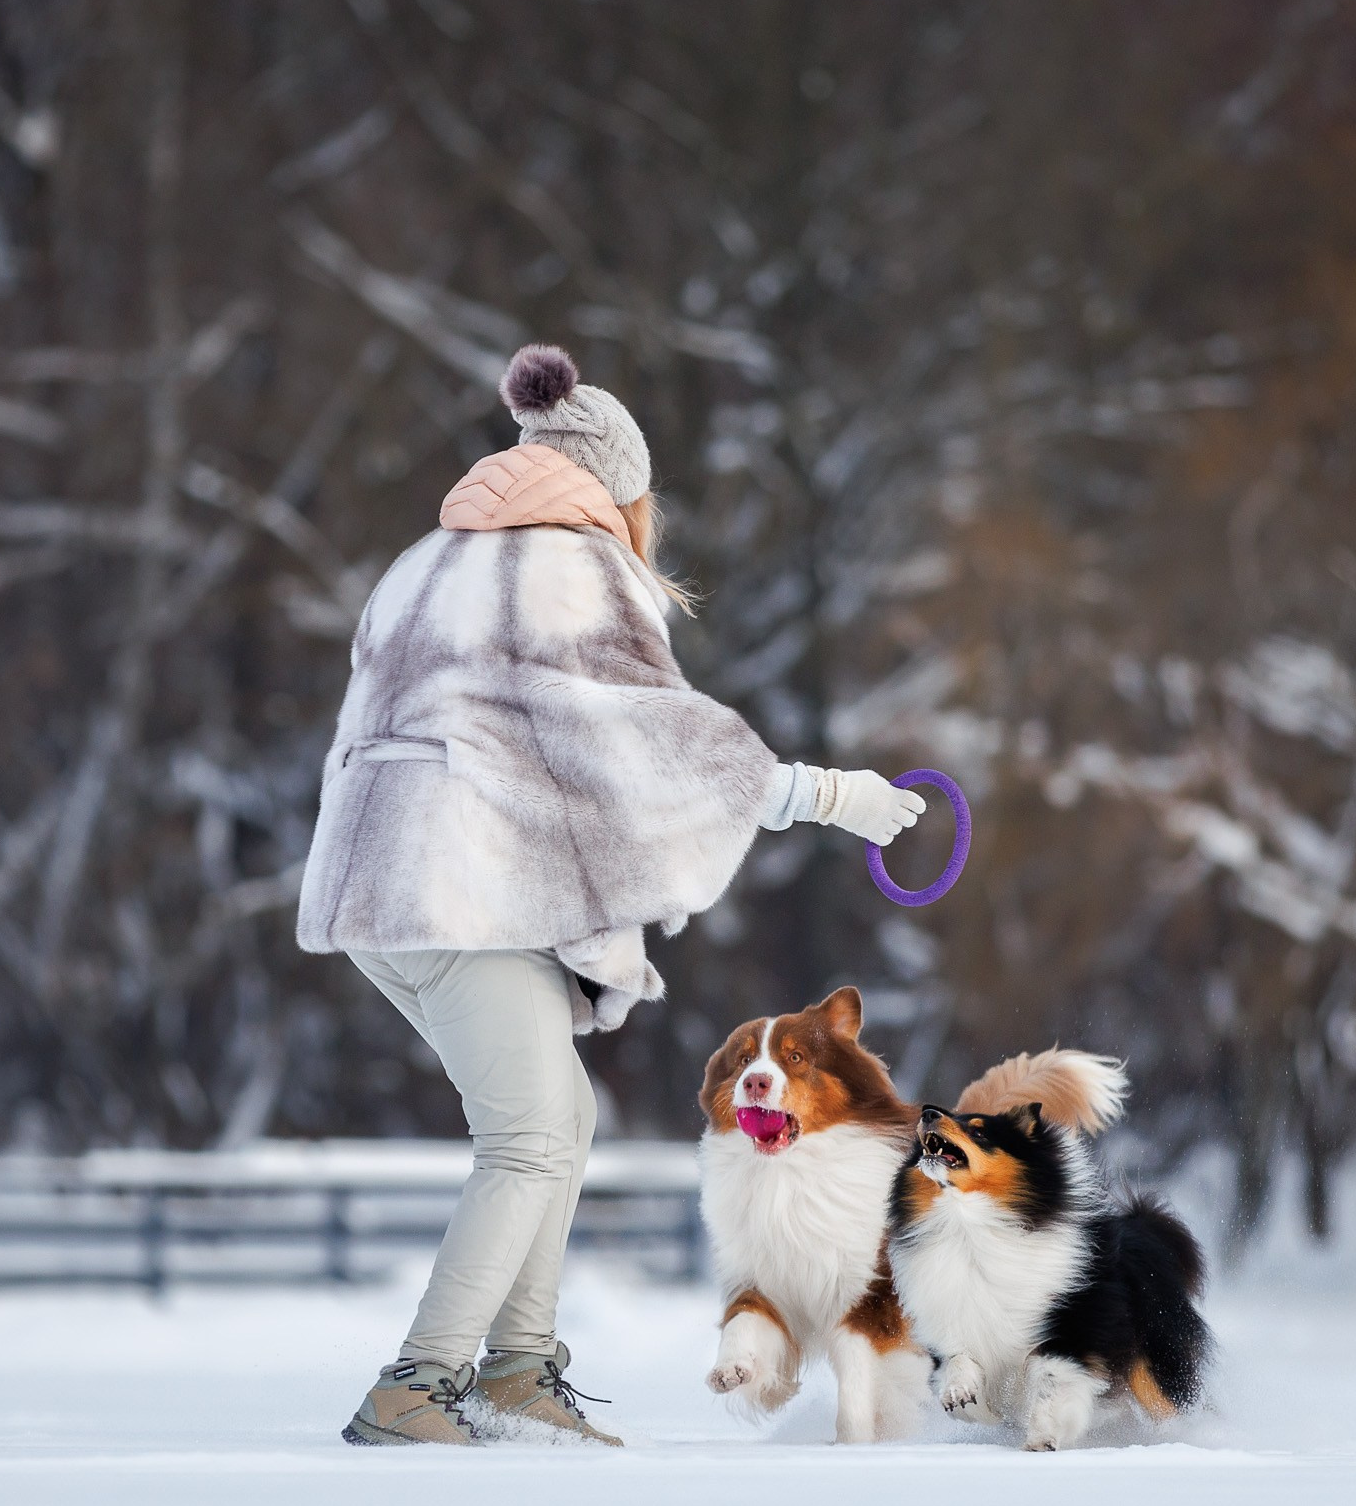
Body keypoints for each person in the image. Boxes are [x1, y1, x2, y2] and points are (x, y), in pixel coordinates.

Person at [295, 343, 924, 1446]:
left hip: (379, 887)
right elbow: (646, 743)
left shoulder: (428, 561)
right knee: (532, 1134)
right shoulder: (567, 570)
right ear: (618, 490)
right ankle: (419, 1383)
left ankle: (520, 1371)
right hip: (456, 888)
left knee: (558, 1119)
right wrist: (828, 793)